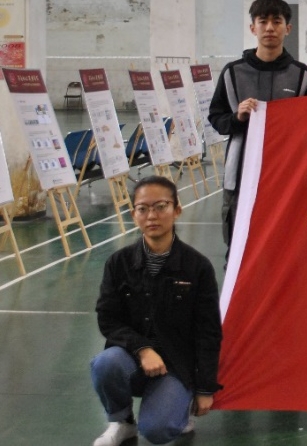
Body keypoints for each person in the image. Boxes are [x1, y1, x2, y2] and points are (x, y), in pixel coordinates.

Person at [90, 176, 222, 446]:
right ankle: (122, 422)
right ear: (134, 215)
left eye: (161, 206)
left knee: (157, 431)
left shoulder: (197, 267)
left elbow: (208, 332)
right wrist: (142, 349)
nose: (152, 216)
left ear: (177, 210)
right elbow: (108, 319)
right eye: (143, 208)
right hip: (132, 359)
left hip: (176, 365)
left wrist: (205, 388)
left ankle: (179, 406)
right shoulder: (118, 263)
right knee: (105, 364)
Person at [209, 0, 307, 251]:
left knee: (284, 249)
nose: (269, 28)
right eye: (263, 21)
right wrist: (237, 117)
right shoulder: (232, 73)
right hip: (240, 178)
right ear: (252, 28)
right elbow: (216, 118)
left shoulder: (302, 75)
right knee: (238, 250)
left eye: (277, 22)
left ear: (288, 28)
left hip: (287, 179)